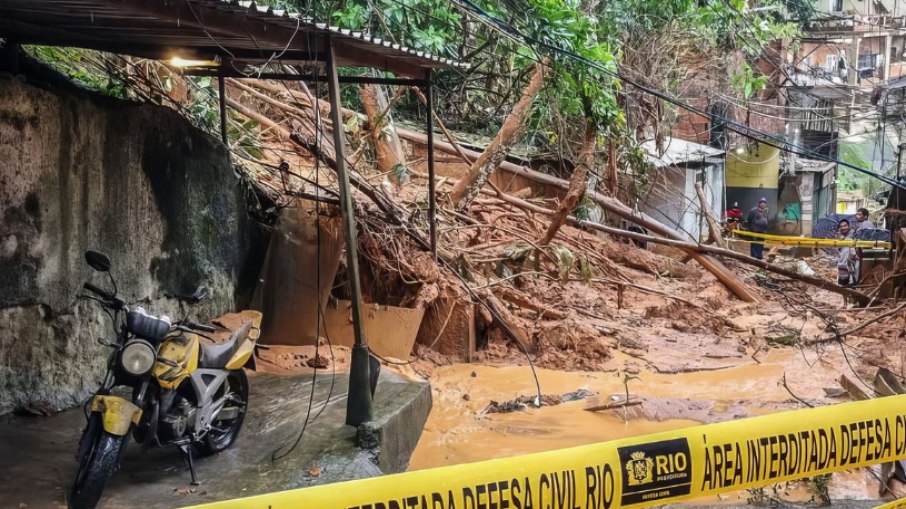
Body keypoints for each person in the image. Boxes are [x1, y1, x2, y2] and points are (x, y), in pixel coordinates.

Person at [836, 219, 857, 287]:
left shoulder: (854, 234)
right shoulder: (838, 236)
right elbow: (837, 250)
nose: (843, 228)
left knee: (853, 283)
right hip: (842, 264)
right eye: (841, 226)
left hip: (852, 263)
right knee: (843, 285)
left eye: (845, 226)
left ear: (849, 226)